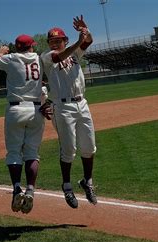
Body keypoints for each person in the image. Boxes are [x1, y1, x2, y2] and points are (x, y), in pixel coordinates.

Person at [40, 15, 97, 208]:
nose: (55, 43)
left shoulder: (74, 55)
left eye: (59, 40)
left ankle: (87, 182)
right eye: (52, 41)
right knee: (69, 150)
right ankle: (66, 185)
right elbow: (59, 56)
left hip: (82, 104)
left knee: (89, 147)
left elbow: (88, 41)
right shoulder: (47, 57)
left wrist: (85, 31)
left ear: (65, 40)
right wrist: (76, 43)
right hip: (62, 107)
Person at [0, 34, 45, 214]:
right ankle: (30, 190)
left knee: (14, 153)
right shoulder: (38, 58)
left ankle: (17, 189)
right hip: (36, 110)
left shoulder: (11, 58)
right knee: (32, 153)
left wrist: (1, 52)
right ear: (30, 47)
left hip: (16, 109)